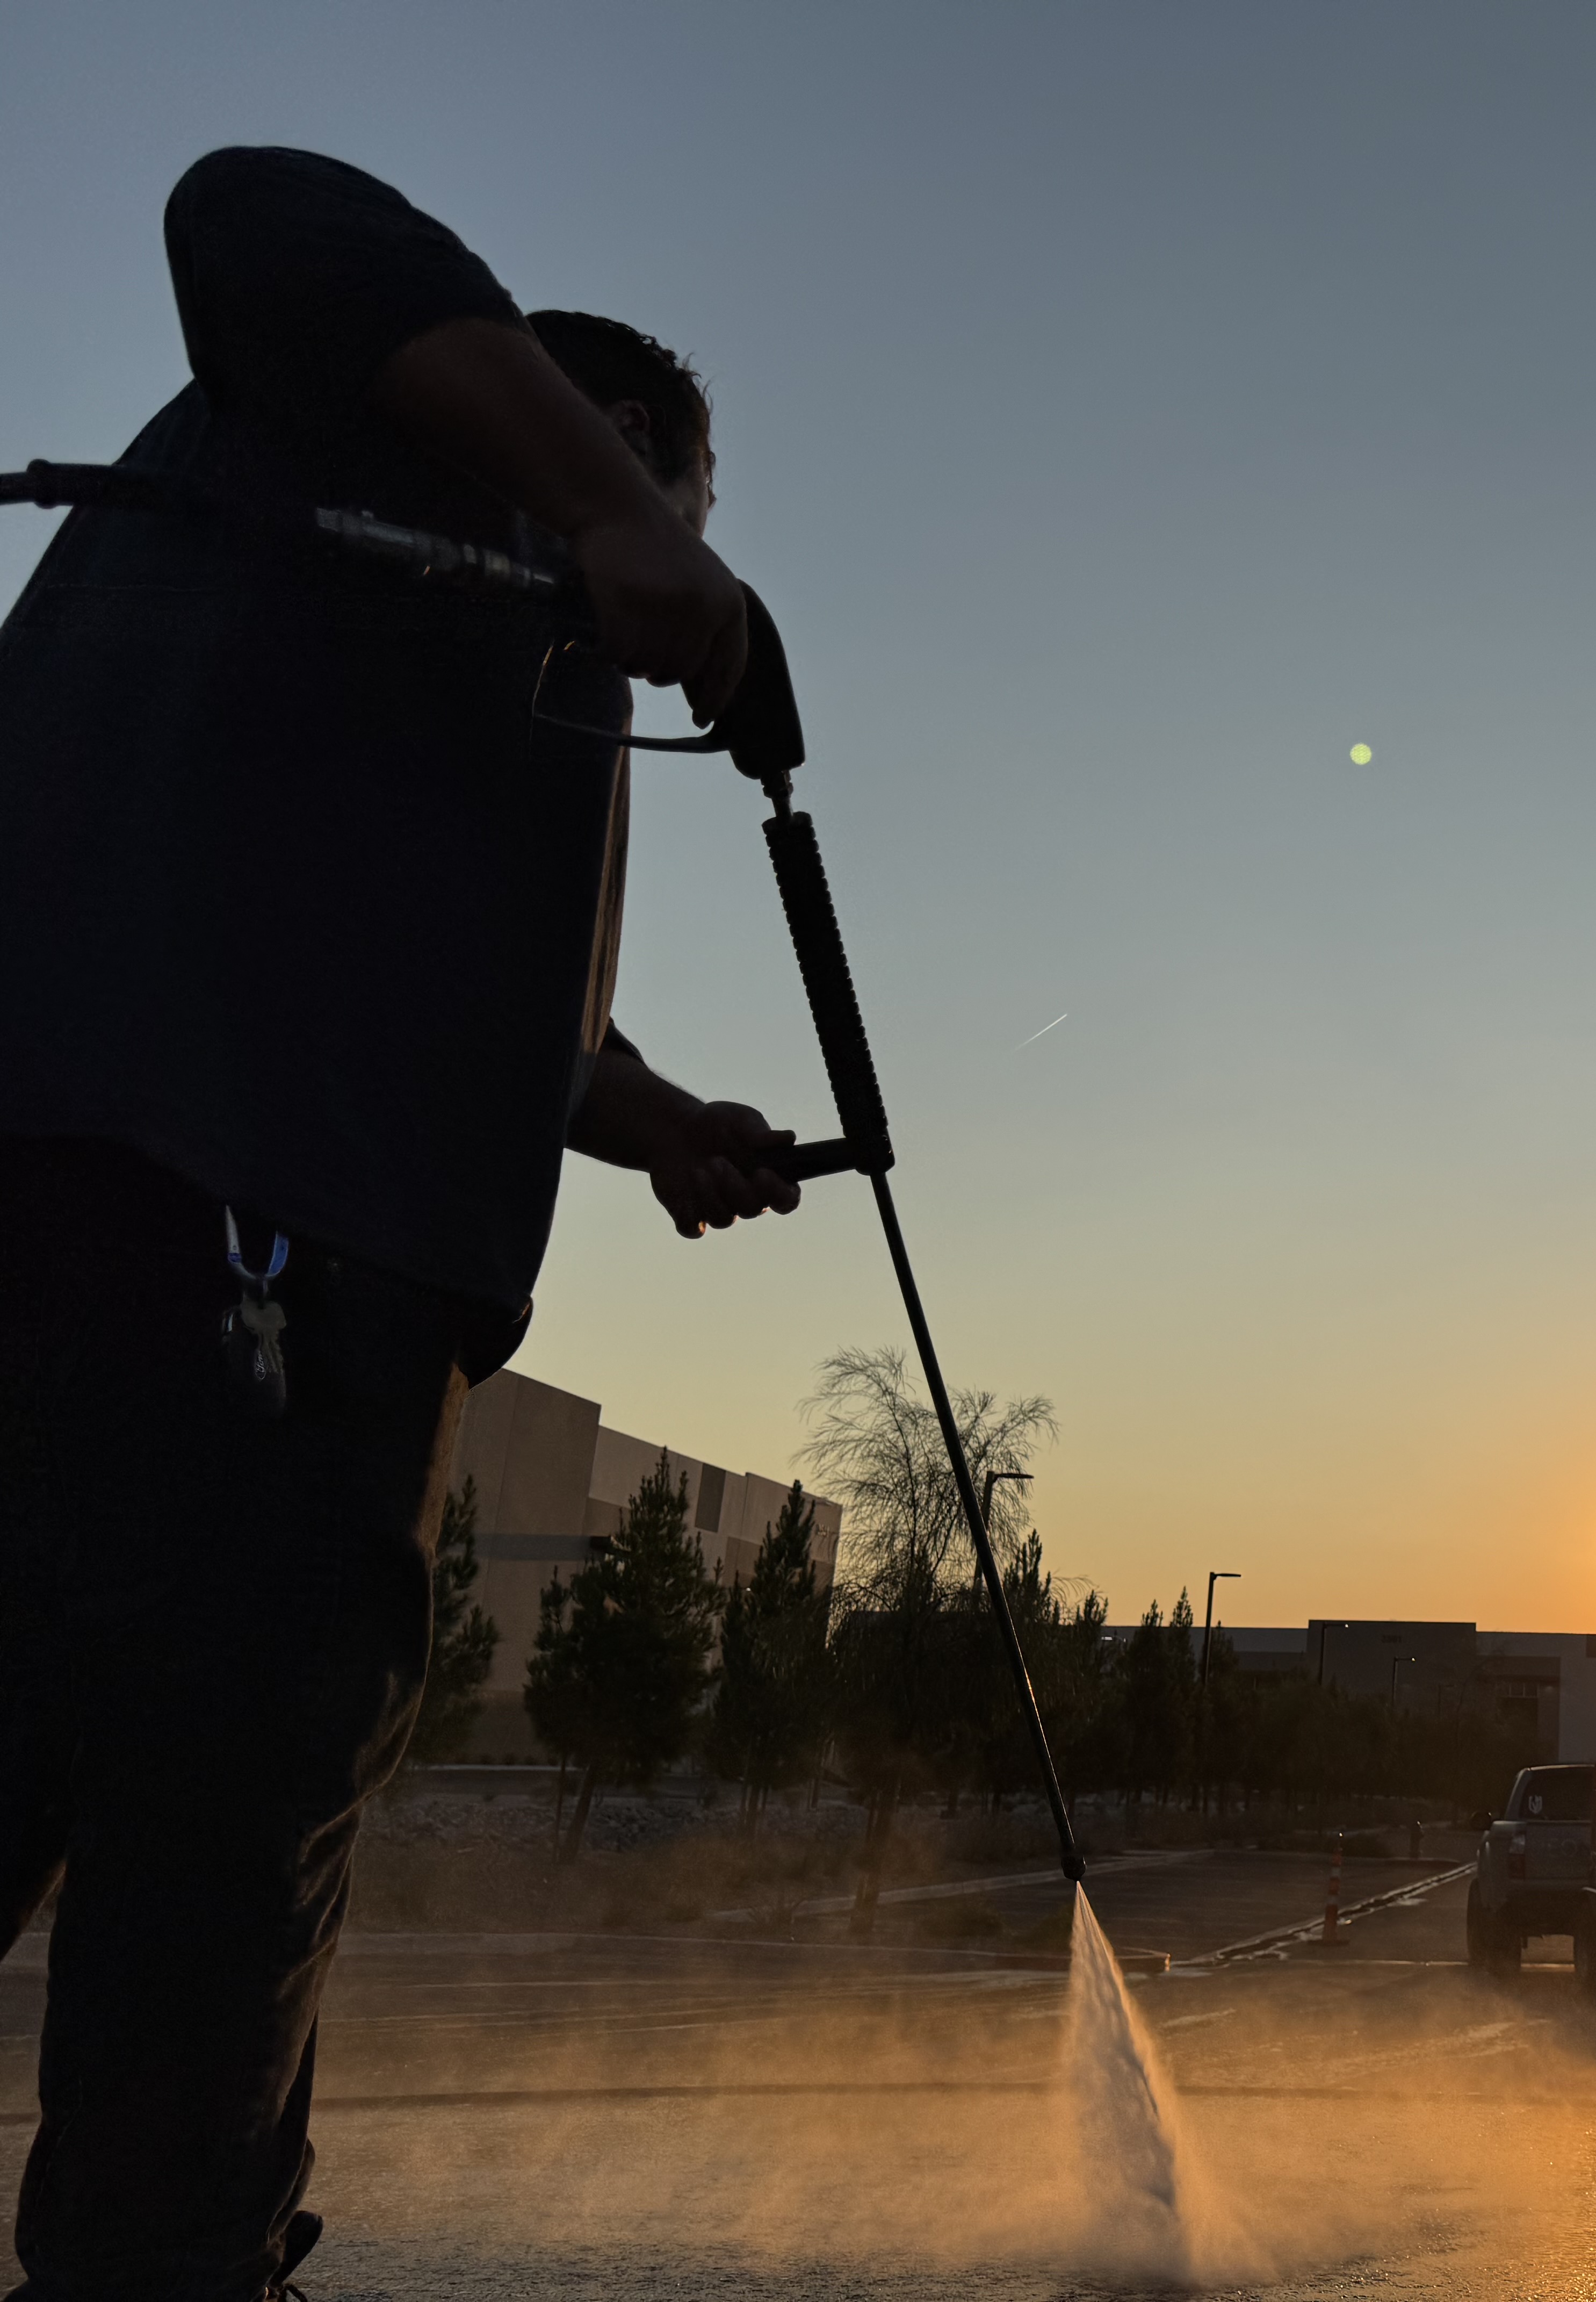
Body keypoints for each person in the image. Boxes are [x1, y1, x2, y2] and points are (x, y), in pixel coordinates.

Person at [0, 146, 804, 2301]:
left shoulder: (442, 674)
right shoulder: (344, 418)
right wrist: (623, 513)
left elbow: (486, 1020)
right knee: (190, 2042)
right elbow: (249, 201)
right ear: (613, 433)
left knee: (185, 1996)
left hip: (262, 1343)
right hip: (184, 1292)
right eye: (691, 496)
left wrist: (663, 1124)